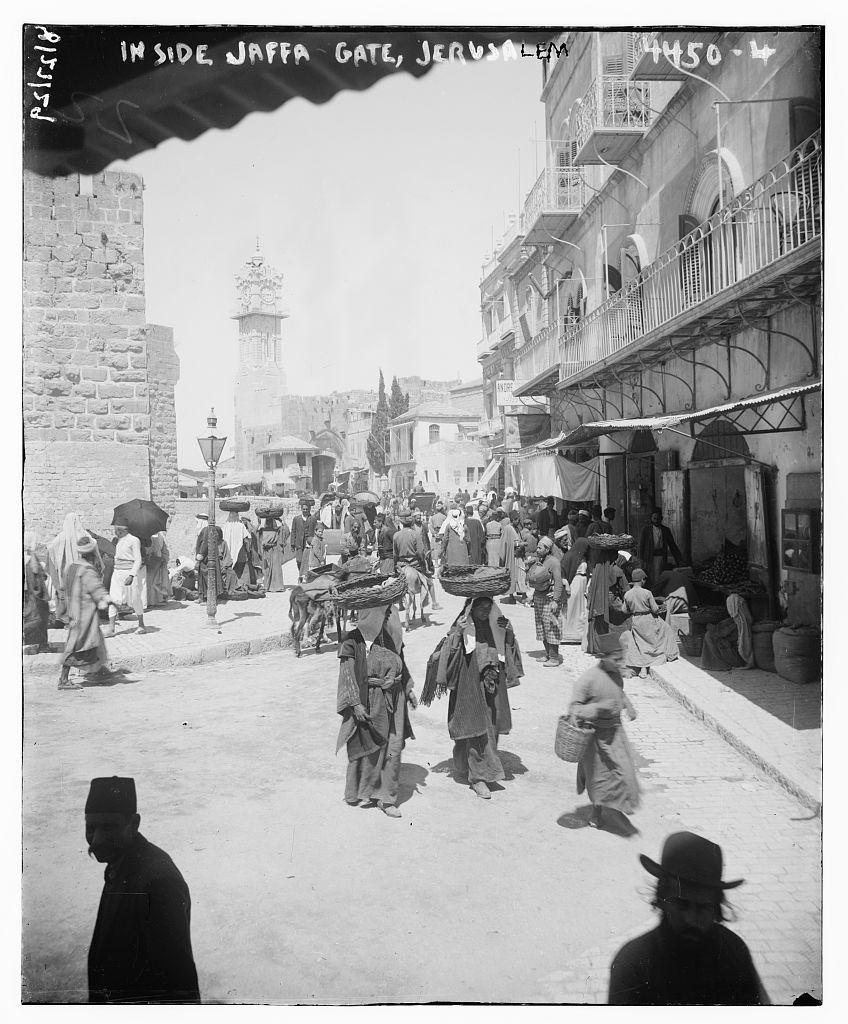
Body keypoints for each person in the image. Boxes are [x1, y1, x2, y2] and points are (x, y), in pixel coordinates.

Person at [608, 831, 769, 1005]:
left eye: (703, 908)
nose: (691, 920)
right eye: (681, 905)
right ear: (662, 899)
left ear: (716, 908)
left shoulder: (734, 951)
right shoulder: (632, 964)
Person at [85, 777, 200, 1003]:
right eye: (91, 827)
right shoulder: (120, 862)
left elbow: (179, 986)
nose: (96, 839)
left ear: (134, 823)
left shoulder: (159, 884)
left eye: (109, 827)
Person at [422, 596, 523, 799]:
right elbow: (448, 657)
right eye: (481, 607)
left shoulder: (496, 626)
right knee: (475, 730)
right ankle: (478, 778)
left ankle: (469, 767)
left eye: (489, 607)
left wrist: (509, 631)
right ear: (471, 609)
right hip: (469, 688)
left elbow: (508, 651)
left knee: (491, 730)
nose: (486, 611)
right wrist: (458, 633)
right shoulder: (462, 627)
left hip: (492, 687)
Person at [336, 603, 418, 817]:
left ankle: (386, 797)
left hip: (395, 698)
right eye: (386, 613)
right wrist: (355, 703)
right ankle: (360, 790)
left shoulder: (387, 636)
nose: (389, 616)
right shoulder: (352, 640)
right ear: (372, 614)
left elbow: (401, 663)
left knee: (393, 744)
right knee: (369, 745)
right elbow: (347, 674)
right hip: (369, 699)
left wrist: (408, 689)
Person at [568, 633, 640, 833]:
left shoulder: (616, 674)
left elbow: (620, 692)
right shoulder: (589, 679)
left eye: (621, 658)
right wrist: (598, 708)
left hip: (615, 732)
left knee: (623, 770)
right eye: (615, 659)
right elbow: (575, 709)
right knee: (598, 778)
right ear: (603, 657)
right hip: (596, 738)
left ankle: (621, 803)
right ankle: (596, 813)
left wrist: (628, 706)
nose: (619, 663)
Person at [57, 536, 118, 690]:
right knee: (77, 646)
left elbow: (64, 588)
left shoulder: (71, 566)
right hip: (84, 614)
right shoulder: (87, 569)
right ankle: (64, 680)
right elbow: (96, 588)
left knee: (95, 642)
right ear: (92, 552)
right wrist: (108, 599)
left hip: (73, 611)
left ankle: (97, 672)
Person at [45, 513, 102, 625]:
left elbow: (51, 550)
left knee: (65, 595)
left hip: (65, 573)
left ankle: (65, 618)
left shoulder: (61, 537)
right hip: (83, 571)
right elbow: (94, 547)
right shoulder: (85, 535)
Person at [621, 569, 679, 676]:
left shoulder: (628, 594)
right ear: (642, 580)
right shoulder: (647, 593)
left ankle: (641, 666)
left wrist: (634, 609)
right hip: (648, 619)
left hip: (636, 620)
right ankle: (669, 655)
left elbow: (624, 610)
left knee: (640, 642)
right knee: (666, 628)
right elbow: (655, 609)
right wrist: (662, 607)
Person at [585, 548, 629, 656]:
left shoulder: (597, 569)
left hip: (598, 599)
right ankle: (617, 648)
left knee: (600, 624)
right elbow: (625, 589)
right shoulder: (617, 570)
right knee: (622, 621)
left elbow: (591, 587)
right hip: (611, 600)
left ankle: (600, 648)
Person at [529, 536, 565, 666]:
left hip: (549, 599)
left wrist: (555, 599)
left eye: (540, 547)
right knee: (542, 627)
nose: (537, 549)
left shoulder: (554, 562)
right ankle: (548, 654)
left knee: (551, 627)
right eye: (537, 547)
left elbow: (558, 581)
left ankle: (554, 658)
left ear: (547, 549)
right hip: (539, 597)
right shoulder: (540, 560)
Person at [107, 525, 148, 636]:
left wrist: (132, 575)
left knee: (135, 599)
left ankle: (141, 625)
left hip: (129, 573)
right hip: (117, 573)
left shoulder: (134, 540)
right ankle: (111, 628)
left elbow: (138, 559)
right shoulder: (118, 541)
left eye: (117, 530)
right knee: (113, 599)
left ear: (123, 530)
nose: (116, 532)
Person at [700, 594, 755, 671]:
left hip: (738, 659)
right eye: (743, 605)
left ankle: (718, 663)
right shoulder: (734, 621)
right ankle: (717, 662)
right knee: (709, 636)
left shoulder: (740, 622)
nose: (745, 606)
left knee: (709, 636)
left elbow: (721, 633)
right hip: (734, 656)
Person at [638, 509, 683, 587]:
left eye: (658, 519)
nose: (656, 521)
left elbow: (672, 546)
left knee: (660, 578)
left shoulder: (666, 530)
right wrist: (641, 560)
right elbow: (641, 545)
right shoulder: (646, 530)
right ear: (651, 519)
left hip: (661, 558)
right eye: (654, 518)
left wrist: (679, 560)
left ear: (661, 519)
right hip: (649, 559)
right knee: (649, 579)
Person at [561, 537, 590, 645]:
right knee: (571, 608)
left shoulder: (584, 557)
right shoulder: (570, 556)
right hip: (574, 583)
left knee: (580, 609)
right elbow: (562, 571)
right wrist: (567, 585)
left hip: (582, 584)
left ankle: (578, 634)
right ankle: (566, 634)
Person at [24, 532, 50, 649]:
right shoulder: (31, 559)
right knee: (38, 619)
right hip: (36, 596)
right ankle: (40, 645)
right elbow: (37, 576)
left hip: (29, 595)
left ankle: (35, 644)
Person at [258, 515, 288, 592]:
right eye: (267, 521)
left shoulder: (276, 530)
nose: (269, 523)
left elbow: (286, 529)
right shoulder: (262, 530)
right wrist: (258, 524)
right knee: (266, 569)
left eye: (270, 521)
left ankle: (277, 586)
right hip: (266, 551)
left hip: (274, 550)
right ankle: (267, 586)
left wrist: (281, 520)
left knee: (275, 568)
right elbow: (255, 533)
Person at [498, 509, 522, 603]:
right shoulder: (508, 528)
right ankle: (511, 596)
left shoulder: (517, 528)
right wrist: (519, 544)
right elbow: (505, 542)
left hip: (519, 556)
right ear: (512, 519)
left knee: (520, 575)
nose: (518, 521)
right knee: (512, 575)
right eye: (516, 519)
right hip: (511, 556)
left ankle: (522, 595)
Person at [290, 500, 315, 583]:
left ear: (309, 509)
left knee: (307, 561)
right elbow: (293, 531)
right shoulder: (296, 519)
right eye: (303, 509)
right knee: (299, 560)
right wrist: (292, 544)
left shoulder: (313, 519)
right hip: (299, 543)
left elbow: (315, 531)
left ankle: (305, 577)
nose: (305, 511)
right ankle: (301, 575)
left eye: (306, 509)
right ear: (301, 509)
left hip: (309, 543)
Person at [145, 531, 172, 606]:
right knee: (157, 582)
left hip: (153, 561)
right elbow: (165, 550)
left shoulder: (152, 536)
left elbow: (150, 549)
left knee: (151, 582)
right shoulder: (161, 536)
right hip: (159, 561)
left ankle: (151, 601)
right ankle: (157, 600)